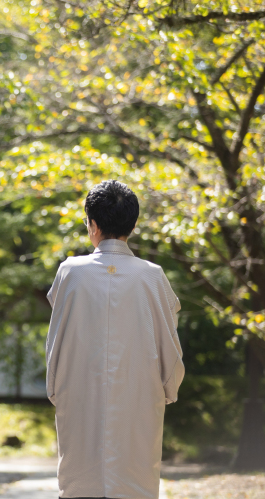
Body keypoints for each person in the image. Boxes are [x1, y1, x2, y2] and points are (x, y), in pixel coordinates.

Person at [45, 180, 185, 499]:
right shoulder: (152, 275)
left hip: (79, 392)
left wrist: (56, 387)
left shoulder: (70, 271)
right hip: (139, 394)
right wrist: (168, 388)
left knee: (81, 483)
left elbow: (57, 336)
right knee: (133, 484)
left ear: (92, 224)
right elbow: (170, 343)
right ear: (133, 225)